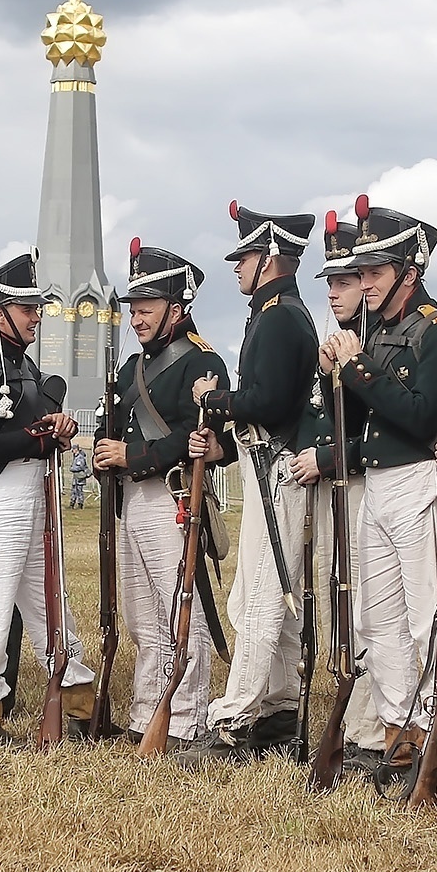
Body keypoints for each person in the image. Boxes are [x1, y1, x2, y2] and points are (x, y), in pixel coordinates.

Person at [323, 196, 437, 794]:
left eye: (375, 272)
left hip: (418, 480)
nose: (364, 283)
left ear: (409, 273)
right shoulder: (378, 335)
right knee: (379, 622)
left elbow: (422, 416)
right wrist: (335, 371)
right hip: (380, 483)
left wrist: (357, 372)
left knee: (427, 621)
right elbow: (356, 419)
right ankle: (398, 734)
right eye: (361, 273)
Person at [0, 251, 98, 744]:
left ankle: (78, 703)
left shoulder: (22, 363)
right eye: (26, 307)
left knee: (50, 601)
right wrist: (43, 435)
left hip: (33, 490)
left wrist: (55, 427)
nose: (37, 316)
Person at [188, 203, 319, 764]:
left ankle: (235, 719)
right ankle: (279, 711)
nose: (237, 267)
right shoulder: (279, 312)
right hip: (269, 460)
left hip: (277, 465)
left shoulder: (279, 316)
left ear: (268, 257)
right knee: (273, 598)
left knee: (261, 598)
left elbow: (268, 401)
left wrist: (213, 399)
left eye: (244, 256)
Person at [92, 240, 229, 746]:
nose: (137, 318)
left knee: (180, 616)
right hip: (131, 499)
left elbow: (211, 440)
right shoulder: (131, 368)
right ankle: (148, 715)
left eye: (147, 307)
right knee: (142, 616)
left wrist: (135, 457)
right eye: (133, 308)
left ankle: (186, 721)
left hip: (171, 497)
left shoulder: (201, 363)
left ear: (177, 307)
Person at [289, 208, 387, 774]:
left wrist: (325, 457)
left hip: (373, 485)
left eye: (346, 280)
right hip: (340, 486)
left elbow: (383, 433)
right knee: (336, 606)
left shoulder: (378, 343)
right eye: (330, 281)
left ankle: (376, 728)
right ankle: (357, 724)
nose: (334, 292)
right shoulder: (343, 340)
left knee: (373, 613)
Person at [69, 444, 90, 509]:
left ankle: (80, 504)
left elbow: (80, 466)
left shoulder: (80, 457)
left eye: (73, 449)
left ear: (76, 449)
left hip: (80, 477)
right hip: (76, 477)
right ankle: (72, 503)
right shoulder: (75, 457)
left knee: (79, 491)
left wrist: (72, 468)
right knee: (74, 491)